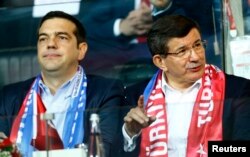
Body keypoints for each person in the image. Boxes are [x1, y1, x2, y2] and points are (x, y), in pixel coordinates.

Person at [0, 11, 125, 157]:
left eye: (62, 37)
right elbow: (3, 148)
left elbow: (103, 150)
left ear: (81, 50)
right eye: (43, 39)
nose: (51, 44)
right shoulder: (9, 96)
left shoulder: (106, 91)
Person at [122, 14, 250, 157]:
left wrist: (207, 150)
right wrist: (130, 133)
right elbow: (112, 151)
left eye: (197, 45)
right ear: (160, 62)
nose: (195, 57)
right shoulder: (134, 96)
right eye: (182, 51)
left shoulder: (237, 89)